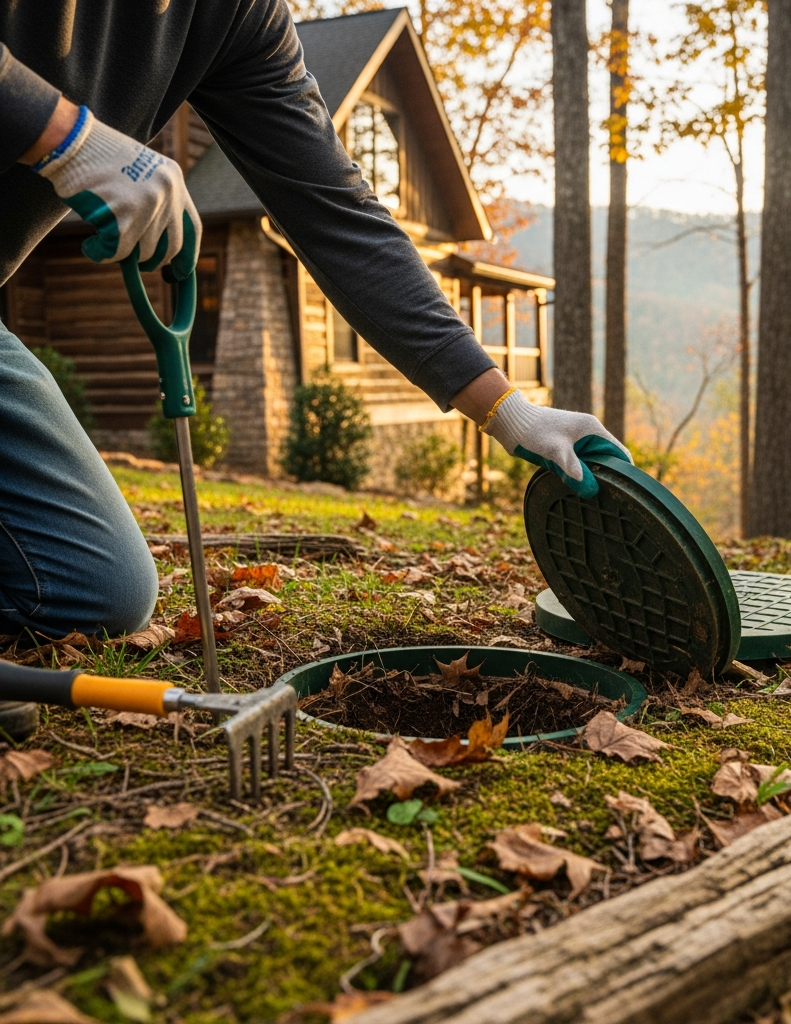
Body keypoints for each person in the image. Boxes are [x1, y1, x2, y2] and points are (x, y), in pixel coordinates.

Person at [0, 2, 630, 731]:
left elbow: (337, 213)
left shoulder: (235, 15)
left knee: (96, 587)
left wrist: (507, 411)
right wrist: (68, 138)